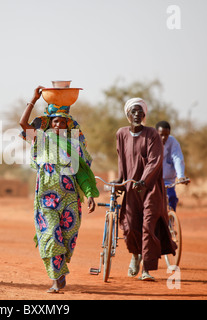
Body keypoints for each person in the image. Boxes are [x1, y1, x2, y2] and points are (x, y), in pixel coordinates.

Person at [20, 86, 98, 293]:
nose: (58, 125)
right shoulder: (41, 139)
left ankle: (61, 269)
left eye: (62, 122)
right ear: (49, 125)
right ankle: (55, 280)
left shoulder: (74, 146)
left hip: (70, 199)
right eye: (55, 121)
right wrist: (33, 99)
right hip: (46, 200)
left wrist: (89, 194)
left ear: (67, 125)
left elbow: (82, 173)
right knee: (50, 236)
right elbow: (22, 124)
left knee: (67, 237)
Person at [113, 98, 176, 281]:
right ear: (127, 114)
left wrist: (143, 180)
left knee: (149, 226)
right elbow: (121, 158)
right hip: (131, 188)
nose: (137, 115)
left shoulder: (152, 134)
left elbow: (154, 161)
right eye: (133, 111)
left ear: (144, 115)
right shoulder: (121, 133)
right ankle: (135, 255)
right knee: (131, 226)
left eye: (140, 112)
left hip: (150, 188)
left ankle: (146, 269)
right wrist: (120, 179)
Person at [155, 121, 189, 211]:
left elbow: (178, 158)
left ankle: (171, 221)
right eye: (161, 134)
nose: (164, 137)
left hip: (168, 180)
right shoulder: (151, 142)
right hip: (154, 180)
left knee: (172, 198)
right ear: (156, 133)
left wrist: (181, 176)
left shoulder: (172, 142)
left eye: (166, 135)